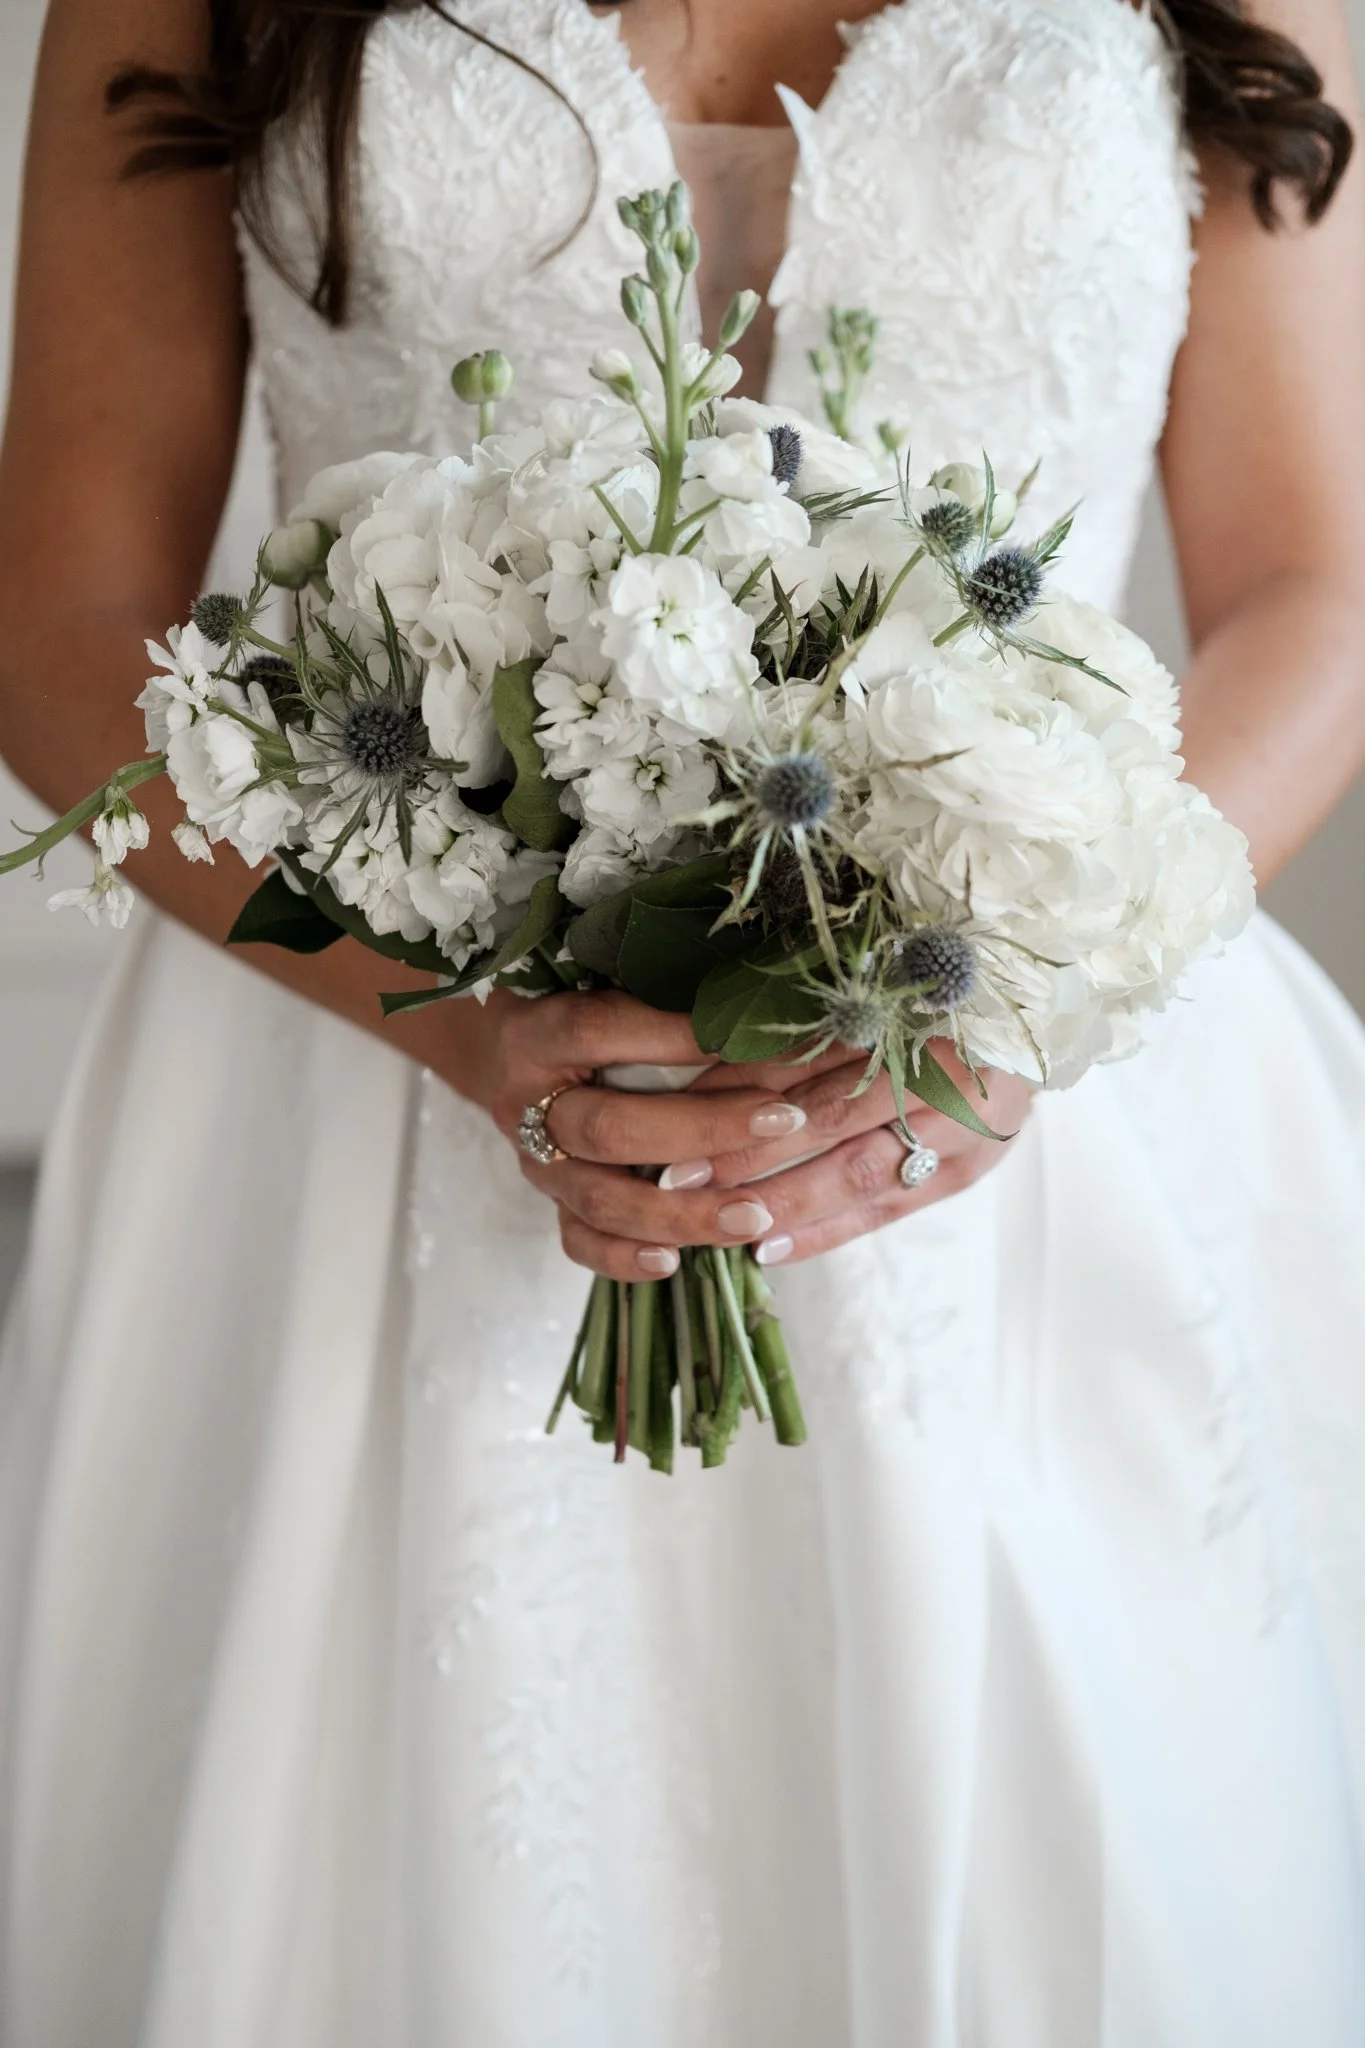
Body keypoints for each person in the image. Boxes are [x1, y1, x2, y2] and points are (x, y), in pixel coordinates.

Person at [2, 0, 1365, 2039]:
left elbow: (1311, 591)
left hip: (1036, 1102)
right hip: (364, 1086)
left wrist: (1008, 1015)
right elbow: (60, 618)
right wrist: (444, 1008)